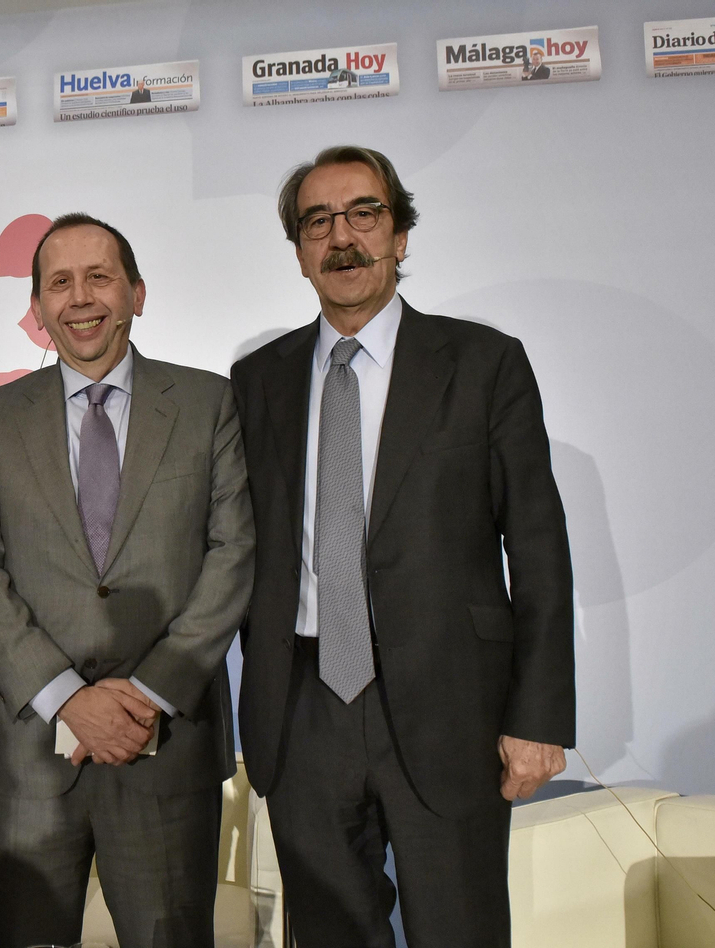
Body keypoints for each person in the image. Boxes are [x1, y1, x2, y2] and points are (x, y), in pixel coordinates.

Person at [230, 145, 575, 947]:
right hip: (303, 705)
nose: (341, 237)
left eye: (364, 213)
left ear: (400, 234)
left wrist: (539, 716)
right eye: (318, 222)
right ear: (299, 252)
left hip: (450, 705)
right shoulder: (257, 380)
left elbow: (538, 546)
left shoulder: (483, 364)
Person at [0, 213, 255, 948]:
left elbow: (233, 555)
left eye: (99, 277)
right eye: (60, 282)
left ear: (137, 294)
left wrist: (147, 695)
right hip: (30, 751)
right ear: (37, 309)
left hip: (166, 746)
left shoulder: (207, 404)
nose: (80, 298)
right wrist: (68, 698)